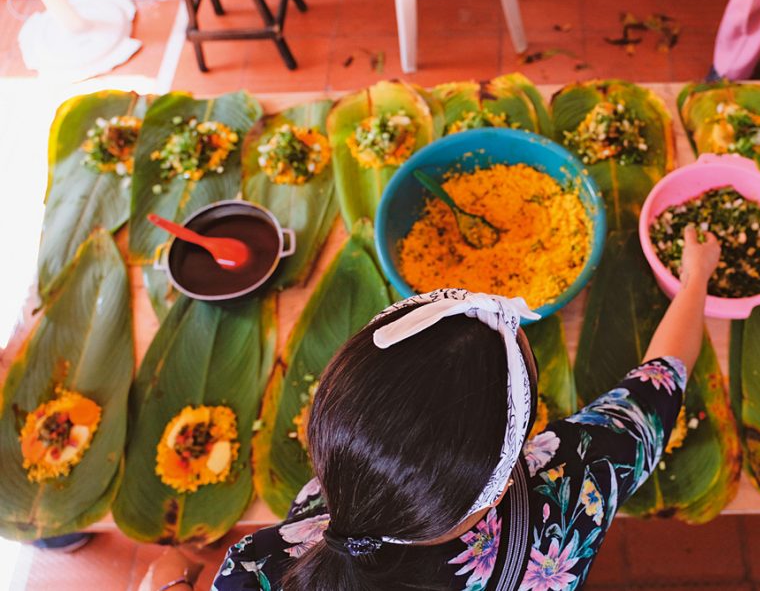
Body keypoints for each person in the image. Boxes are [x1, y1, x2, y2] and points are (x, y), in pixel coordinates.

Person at [128, 225, 718, 590]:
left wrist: (171, 582)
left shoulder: (254, 567)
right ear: (508, 462)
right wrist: (694, 282)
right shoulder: (567, 490)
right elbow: (657, 386)